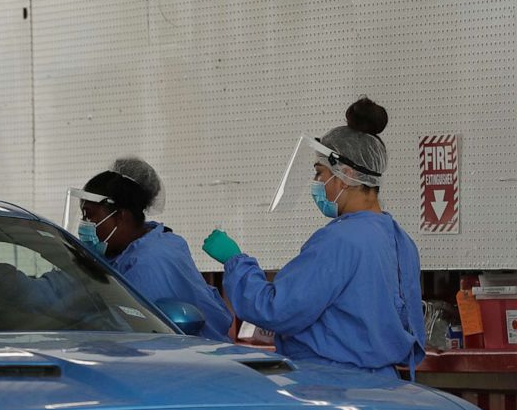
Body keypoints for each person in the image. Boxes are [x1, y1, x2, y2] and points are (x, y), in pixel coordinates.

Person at [201, 97, 425, 378]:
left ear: (345, 175)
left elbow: (276, 309)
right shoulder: (399, 240)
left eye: (320, 173)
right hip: (384, 384)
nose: (317, 184)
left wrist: (235, 261)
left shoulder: (340, 240)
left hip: (332, 387)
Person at [76, 158, 233, 342]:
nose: (84, 224)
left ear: (121, 217)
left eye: (90, 216)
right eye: (83, 216)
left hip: (193, 360)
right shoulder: (123, 250)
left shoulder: (148, 262)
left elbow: (122, 330)